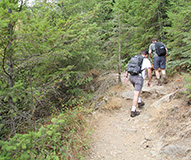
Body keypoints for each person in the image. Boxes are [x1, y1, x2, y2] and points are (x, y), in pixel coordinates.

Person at [125, 50, 152, 117]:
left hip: (131, 77)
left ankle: (139, 102)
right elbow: (149, 71)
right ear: (146, 55)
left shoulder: (135, 58)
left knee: (137, 89)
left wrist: (126, 76)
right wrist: (149, 80)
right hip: (138, 78)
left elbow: (128, 68)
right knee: (136, 94)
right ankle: (133, 110)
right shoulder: (146, 60)